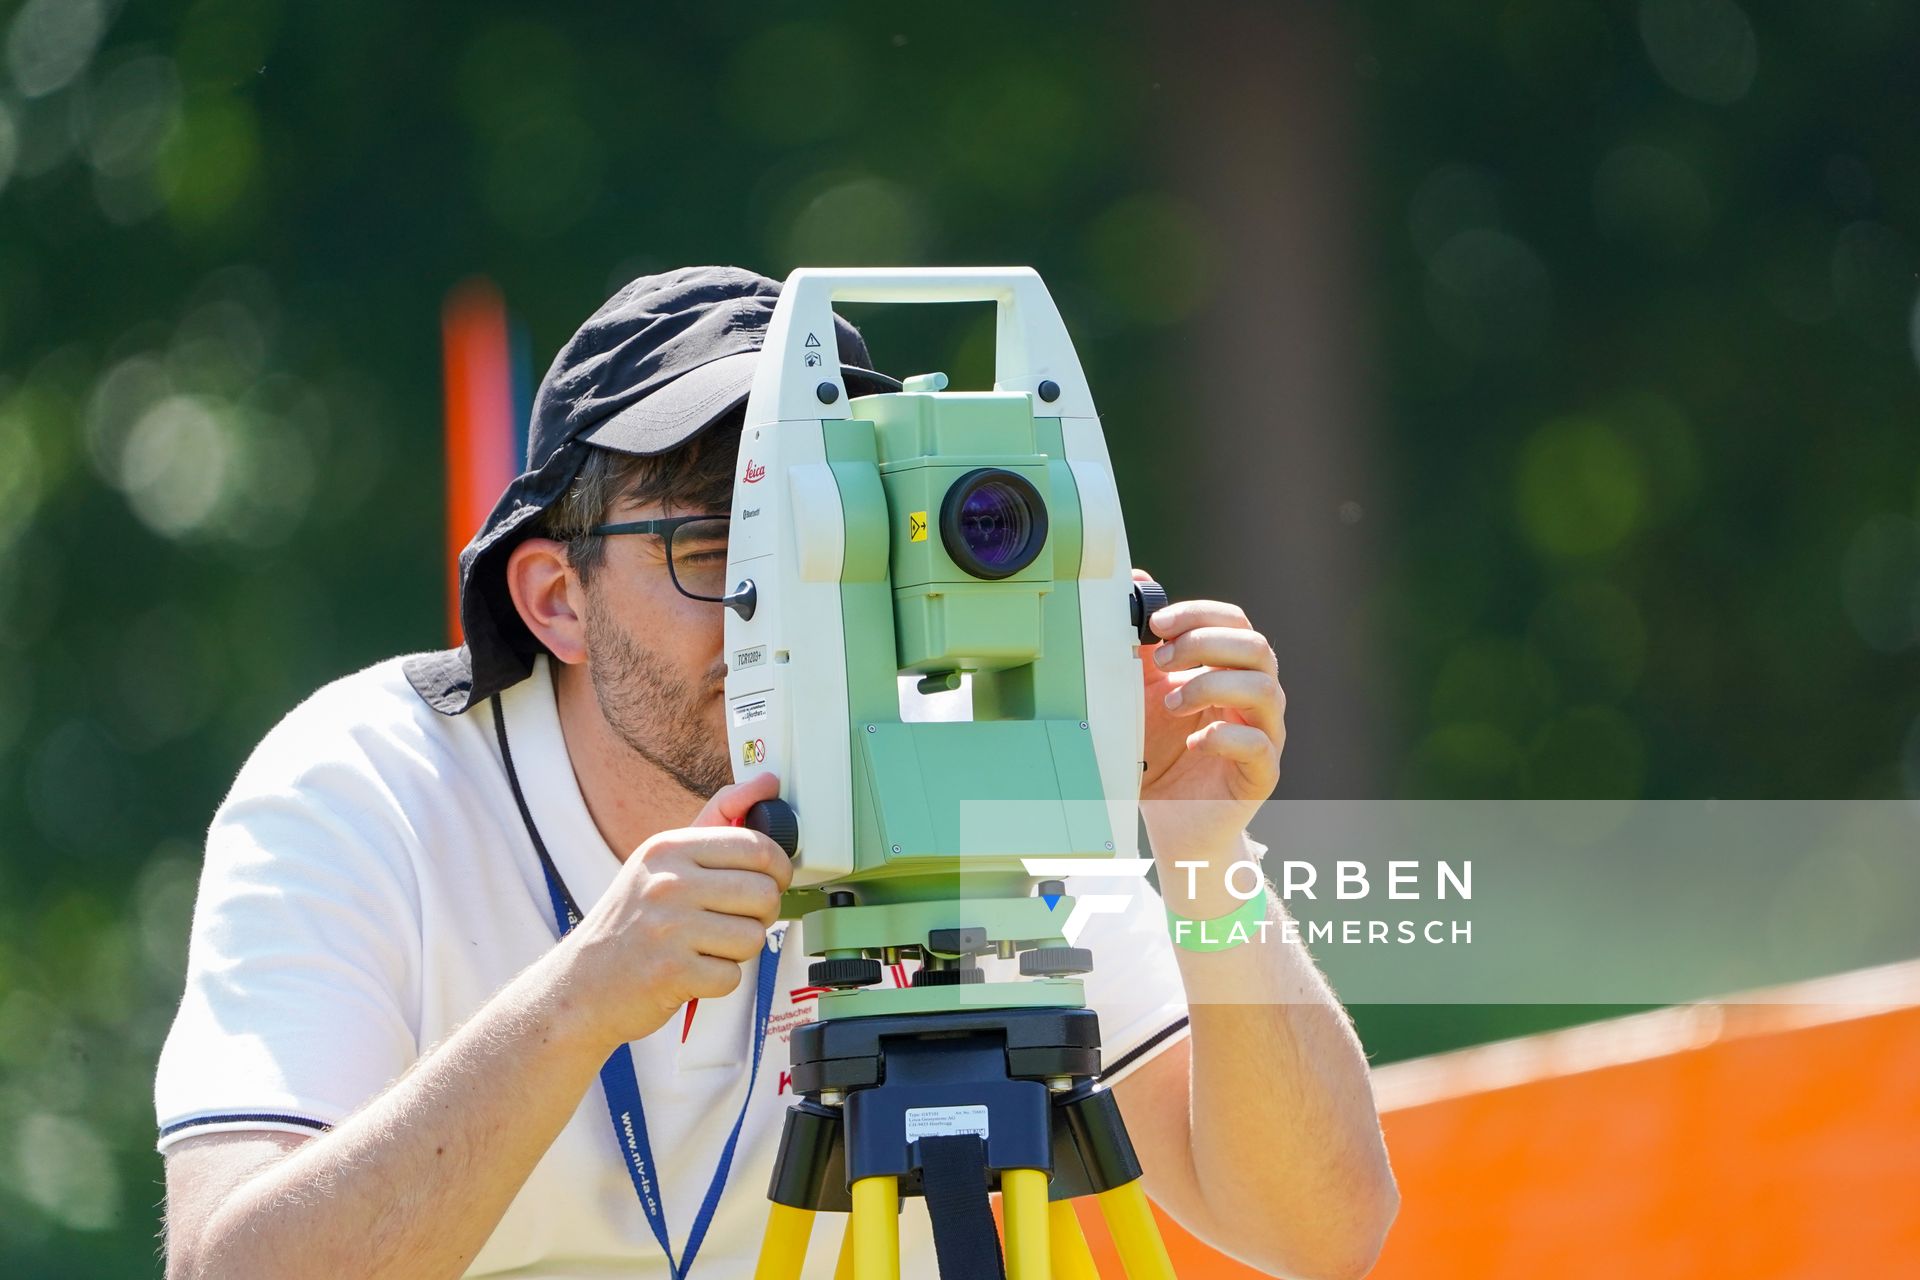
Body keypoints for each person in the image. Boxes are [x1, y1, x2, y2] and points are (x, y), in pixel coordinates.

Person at [156, 266, 1398, 1279]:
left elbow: (1319, 1228)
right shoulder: (368, 785)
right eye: (714, 544)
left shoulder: (957, 745)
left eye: (824, 535)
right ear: (555, 597)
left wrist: (1203, 858)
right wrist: (580, 997)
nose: (775, 606)